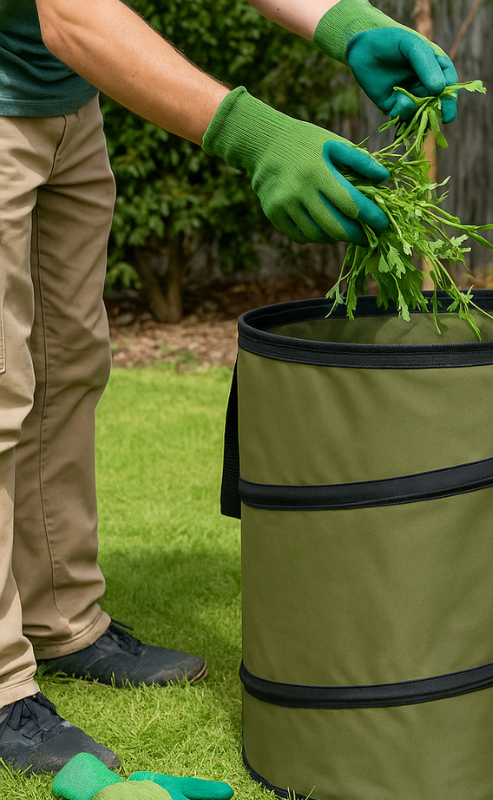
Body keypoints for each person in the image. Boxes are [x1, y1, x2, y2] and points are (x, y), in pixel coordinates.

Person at [0, 0, 458, 774]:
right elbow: (71, 14)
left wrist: (344, 22)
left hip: (65, 101)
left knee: (67, 364)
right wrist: (260, 137)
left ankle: (62, 619)